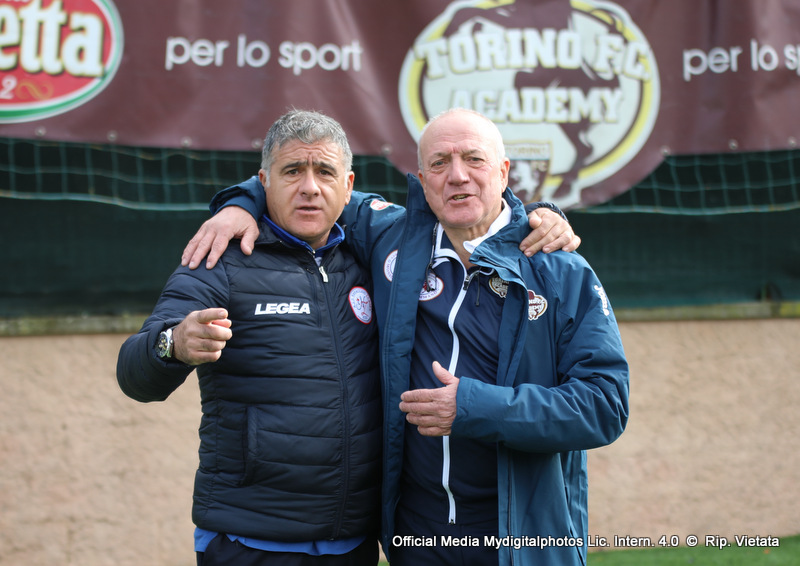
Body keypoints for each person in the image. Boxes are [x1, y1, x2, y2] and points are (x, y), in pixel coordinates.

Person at [182, 108, 624, 566]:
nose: (457, 176)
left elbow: (606, 405)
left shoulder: (559, 269)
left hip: (522, 538)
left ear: (503, 171)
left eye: (474, 159)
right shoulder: (392, 236)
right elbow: (309, 182)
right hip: (418, 539)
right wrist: (239, 203)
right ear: (422, 179)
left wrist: (475, 408)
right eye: (439, 163)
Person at [117, 110, 383, 566]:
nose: (310, 187)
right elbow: (134, 375)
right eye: (292, 171)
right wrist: (174, 344)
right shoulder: (220, 259)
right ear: (264, 181)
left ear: (349, 185)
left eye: (325, 172)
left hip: (353, 542)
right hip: (249, 542)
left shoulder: (370, 259)